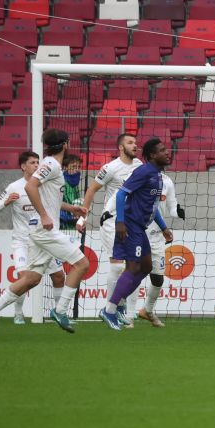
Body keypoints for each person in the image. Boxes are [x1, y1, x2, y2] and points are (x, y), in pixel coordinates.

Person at [0, 130, 89, 337]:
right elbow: (31, 186)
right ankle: (60, 311)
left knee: (32, 278)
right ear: (65, 144)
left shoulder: (50, 165)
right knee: (82, 264)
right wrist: (44, 215)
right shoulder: (51, 164)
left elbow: (49, 198)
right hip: (44, 229)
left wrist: (71, 208)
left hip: (40, 228)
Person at [99, 138, 173, 331]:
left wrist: (164, 227)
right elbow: (121, 194)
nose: (167, 152)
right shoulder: (143, 172)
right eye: (162, 150)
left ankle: (118, 305)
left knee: (146, 267)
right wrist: (121, 222)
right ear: (152, 155)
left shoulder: (157, 175)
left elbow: (152, 206)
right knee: (132, 267)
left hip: (140, 227)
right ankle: (109, 310)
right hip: (130, 225)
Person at [0, 151, 67, 325]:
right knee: (25, 278)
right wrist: (6, 202)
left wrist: (72, 209)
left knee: (59, 276)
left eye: (38, 162)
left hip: (43, 240)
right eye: (32, 162)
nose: (36, 165)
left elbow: (56, 202)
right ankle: (18, 313)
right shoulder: (14, 187)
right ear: (23, 166)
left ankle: (60, 313)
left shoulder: (43, 184)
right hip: (22, 242)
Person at [77, 134, 142, 325]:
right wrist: (83, 216)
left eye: (135, 142)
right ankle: (109, 310)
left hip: (133, 222)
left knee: (134, 267)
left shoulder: (139, 165)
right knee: (117, 265)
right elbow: (91, 190)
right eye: (130, 142)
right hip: (112, 221)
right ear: (121, 147)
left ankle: (124, 310)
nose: (135, 145)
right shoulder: (110, 168)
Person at [134, 165, 183, 328]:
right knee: (132, 273)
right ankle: (125, 314)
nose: (166, 157)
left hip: (157, 236)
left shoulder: (167, 181)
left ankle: (147, 310)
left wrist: (178, 212)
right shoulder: (139, 176)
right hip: (138, 232)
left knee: (157, 278)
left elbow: (172, 206)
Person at [60, 153, 83, 235]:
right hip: (61, 227)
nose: (77, 169)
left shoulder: (74, 184)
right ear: (65, 167)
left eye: (79, 167)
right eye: (73, 167)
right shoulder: (61, 183)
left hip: (73, 227)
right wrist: (70, 218)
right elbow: (54, 204)